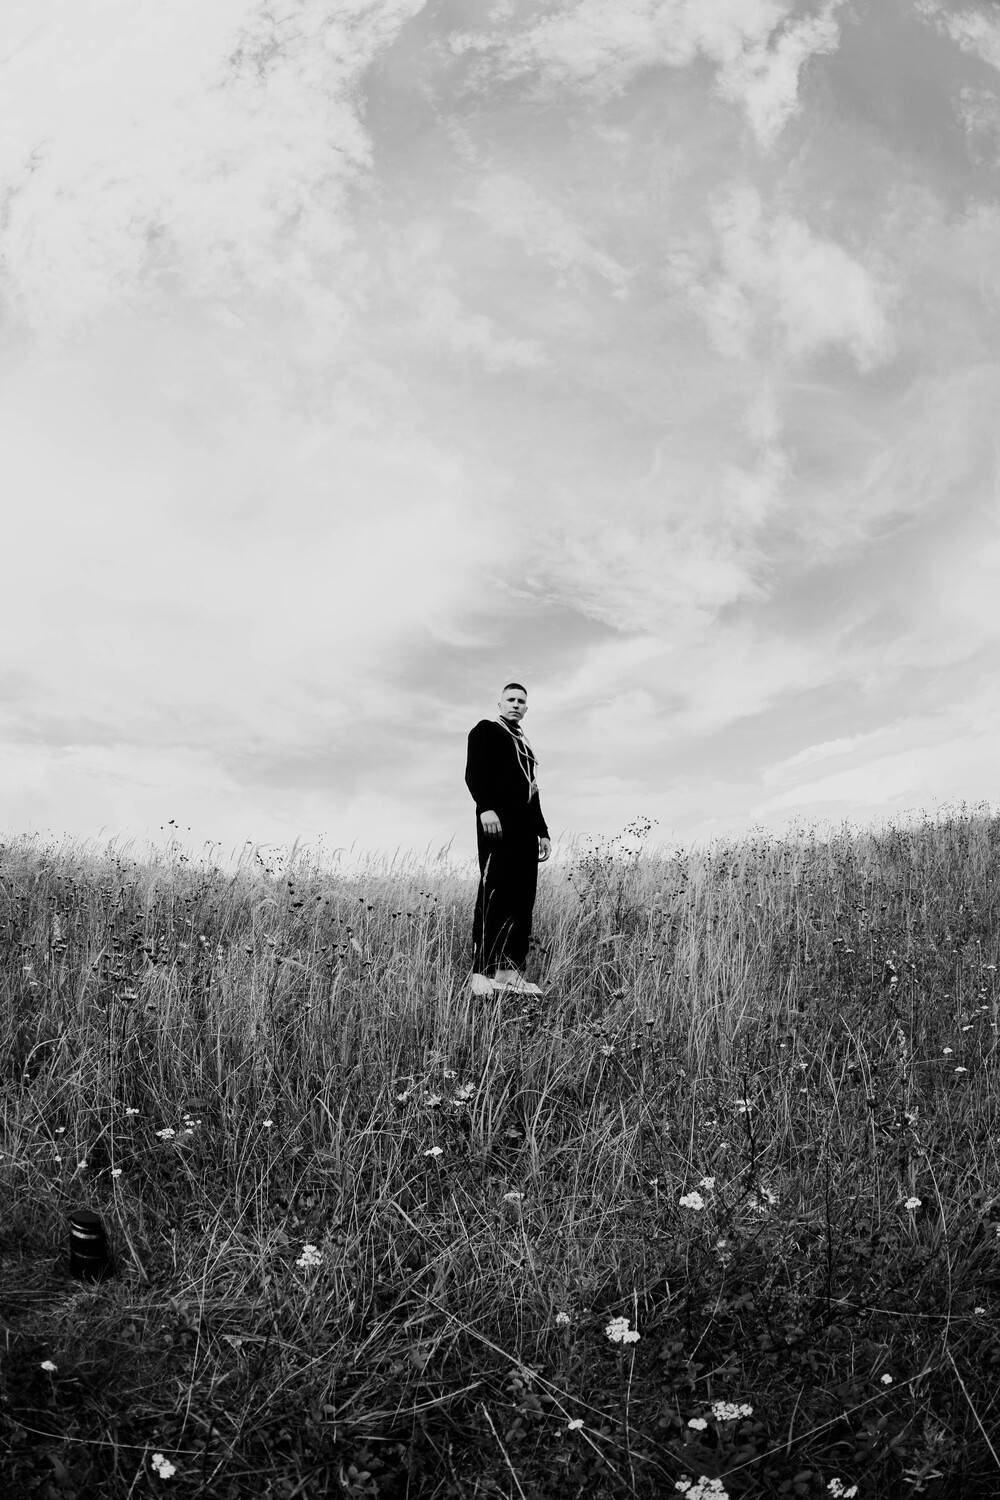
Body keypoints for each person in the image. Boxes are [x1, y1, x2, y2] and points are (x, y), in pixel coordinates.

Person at [465, 682, 551, 994]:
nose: (516, 704)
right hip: (497, 824)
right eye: (511, 699)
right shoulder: (486, 730)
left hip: (525, 830)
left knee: (522, 898)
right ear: (500, 703)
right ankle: (481, 971)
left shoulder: (525, 747)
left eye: (521, 701)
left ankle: (508, 971)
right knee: (495, 893)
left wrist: (542, 832)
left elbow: (533, 792)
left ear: (526, 708)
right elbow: (474, 772)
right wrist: (485, 807)